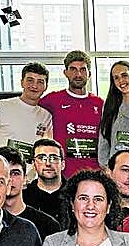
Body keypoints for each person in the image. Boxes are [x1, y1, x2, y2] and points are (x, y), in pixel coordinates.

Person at [39, 50, 104, 178]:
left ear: (89, 73)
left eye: (82, 69)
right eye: (73, 69)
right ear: (66, 73)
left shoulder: (100, 103)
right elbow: (27, 104)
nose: (78, 74)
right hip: (63, 176)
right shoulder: (53, 100)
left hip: (94, 174)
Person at [0, 62, 53, 157]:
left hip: (31, 171)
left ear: (46, 86)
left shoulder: (47, 115)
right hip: (0, 170)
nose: (34, 86)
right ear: (22, 82)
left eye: (40, 82)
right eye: (30, 80)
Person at [0, 147, 61, 240]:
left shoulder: (48, 225)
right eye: (3, 173)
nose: (10, 179)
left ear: (25, 179)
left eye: (15, 173)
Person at [23, 138, 68, 224]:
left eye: (54, 158)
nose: (48, 163)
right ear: (33, 164)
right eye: (41, 158)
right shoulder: (23, 197)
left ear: (62, 164)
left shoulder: (75, 194)